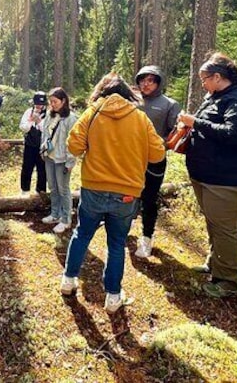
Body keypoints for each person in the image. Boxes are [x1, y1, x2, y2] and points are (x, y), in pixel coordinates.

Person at [60, 73, 164, 313]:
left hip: (94, 187)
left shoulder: (92, 113)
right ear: (128, 93)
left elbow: (74, 146)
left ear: (101, 92)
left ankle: (68, 281)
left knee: (82, 233)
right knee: (116, 243)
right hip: (127, 192)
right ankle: (113, 297)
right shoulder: (140, 118)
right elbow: (158, 154)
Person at [177, 52, 237, 298]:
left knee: (225, 228)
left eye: (204, 79)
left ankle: (229, 282)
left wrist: (195, 123)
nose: (202, 83)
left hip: (229, 178)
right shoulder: (217, 97)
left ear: (218, 77)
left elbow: (236, 134)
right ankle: (216, 264)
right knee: (214, 222)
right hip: (209, 175)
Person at [133, 65, 179, 258]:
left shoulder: (169, 104)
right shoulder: (131, 101)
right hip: (130, 158)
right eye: (143, 79)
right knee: (127, 193)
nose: (146, 83)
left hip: (154, 160)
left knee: (149, 199)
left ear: (158, 83)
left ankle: (147, 237)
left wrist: (163, 146)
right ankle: (125, 225)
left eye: (151, 80)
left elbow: (176, 132)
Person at [41, 87, 78, 234]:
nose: (52, 105)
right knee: (53, 187)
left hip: (62, 159)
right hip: (50, 157)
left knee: (63, 189)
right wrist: (42, 150)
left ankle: (66, 219)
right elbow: (45, 134)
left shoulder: (71, 119)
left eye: (55, 101)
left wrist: (70, 162)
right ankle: (55, 214)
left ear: (63, 101)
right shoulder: (50, 116)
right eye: (51, 102)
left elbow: (73, 142)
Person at [19, 92, 48, 196]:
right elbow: (23, 127)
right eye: (37, 104)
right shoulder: (28, 112)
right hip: (30, 145)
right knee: (27, 169)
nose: (39, 106)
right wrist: (31, 121)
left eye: (41, 104)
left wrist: (39, 121)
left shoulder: (49, 114)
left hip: (42, 147)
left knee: (42, 170)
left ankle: (40, 192)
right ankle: (24, 192)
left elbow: (48, 130)